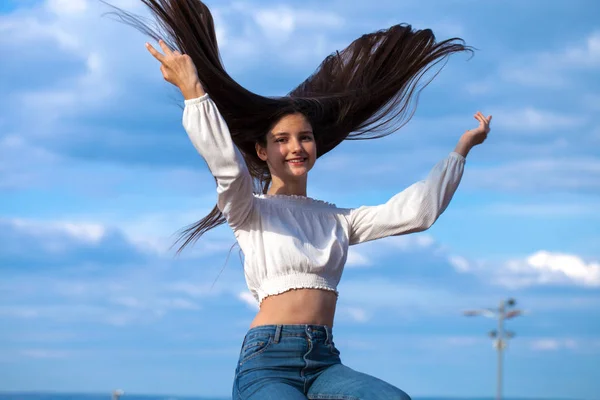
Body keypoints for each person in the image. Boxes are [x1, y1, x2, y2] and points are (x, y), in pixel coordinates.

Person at [113, 1, 492, 398]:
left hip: (325, 361)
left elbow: (418, 212)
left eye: (305, 137)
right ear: (262, 151)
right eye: (282, 140)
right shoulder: (248, 210)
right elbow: (227, 167)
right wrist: (193, 91)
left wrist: (460, 150)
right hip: (267, 362)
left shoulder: (339, 221)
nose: (296, 147)